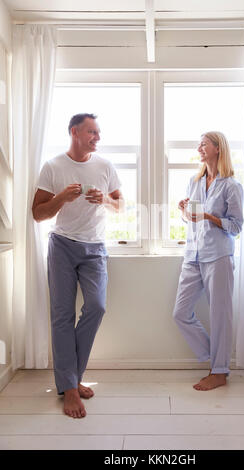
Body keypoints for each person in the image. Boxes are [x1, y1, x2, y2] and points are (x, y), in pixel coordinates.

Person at [32, 113, 124, 418]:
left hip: (95, 249)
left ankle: (70, 377)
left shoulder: (104, 166)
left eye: (98, 132)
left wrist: (105, 202)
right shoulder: (53, 166)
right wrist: (61, 197)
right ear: (74, 132)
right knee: (61, 315)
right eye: (92, 132)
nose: (97, 138)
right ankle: (70, 388)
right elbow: (38, 214)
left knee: (96, 306)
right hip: (62, 247)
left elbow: (121, 205)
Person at [173, 131, 243, 391]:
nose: (199, 147)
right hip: (193, 255)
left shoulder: (232, 186)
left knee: (220, 315)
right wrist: (184, 210)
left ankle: (219, 371)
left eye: (204, 144)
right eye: (199, 144)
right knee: (180, 313)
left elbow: (236, 226)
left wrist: (210, 217)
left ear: (217, 148)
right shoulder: (194, 181)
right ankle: (216, 360)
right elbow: (192, 219)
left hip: (219, 255)